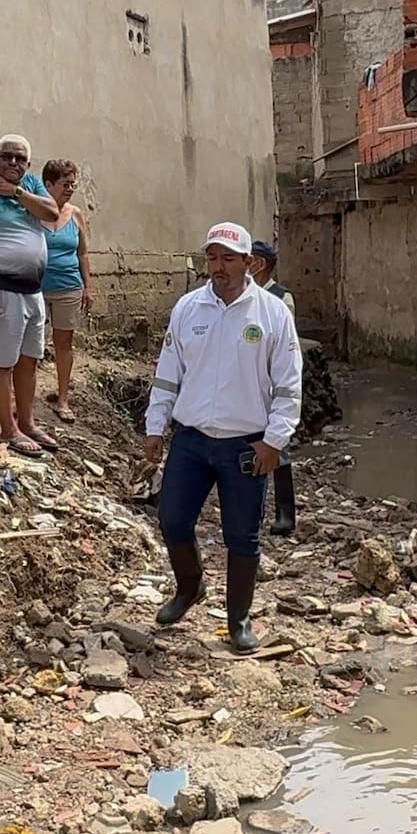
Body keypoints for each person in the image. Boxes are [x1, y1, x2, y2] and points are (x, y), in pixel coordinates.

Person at [144, 222, 303, 652]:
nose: (219, 267)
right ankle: (189, 586)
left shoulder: (272, 314)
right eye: (212, 258)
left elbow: (289, 384)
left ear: (249, 263)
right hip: (192, 439)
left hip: (246, 445)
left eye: (228, 258)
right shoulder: (188, 309)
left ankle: (239, 621)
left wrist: (274, 441)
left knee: (241, 535)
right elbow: (167, 374)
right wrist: (155, 427)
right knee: (173, 519)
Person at [0, 135, 62, 457]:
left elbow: (52, 213)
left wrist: (17, 192)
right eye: (7, 157)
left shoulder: (29, 186)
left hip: (34, 292)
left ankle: (28, 422)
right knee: (3, 362)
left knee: (30, 360)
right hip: (3, 292)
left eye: (20, 158)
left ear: (28, 164)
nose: (13, 163)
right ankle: (8, 429)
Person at [250, 240, 297, 536]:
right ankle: (252, 511)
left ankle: (285, 513)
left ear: (261, 264)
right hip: (247, 381)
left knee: (278, 447)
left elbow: (285, 348)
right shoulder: (243, 296)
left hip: (272, 381)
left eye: (250, 260)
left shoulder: (281, 299)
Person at [40, 159, 92, 424]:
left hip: (68, 286)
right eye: (64, 184)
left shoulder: (76, 214)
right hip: (35, 286)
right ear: (48, 184)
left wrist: (87, 287)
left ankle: (63, 399)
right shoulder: (34, 211)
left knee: (63, 343)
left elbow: (82, 252)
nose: (70, 188)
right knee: (29, 345)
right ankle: (23, 399)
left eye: (73, 184)